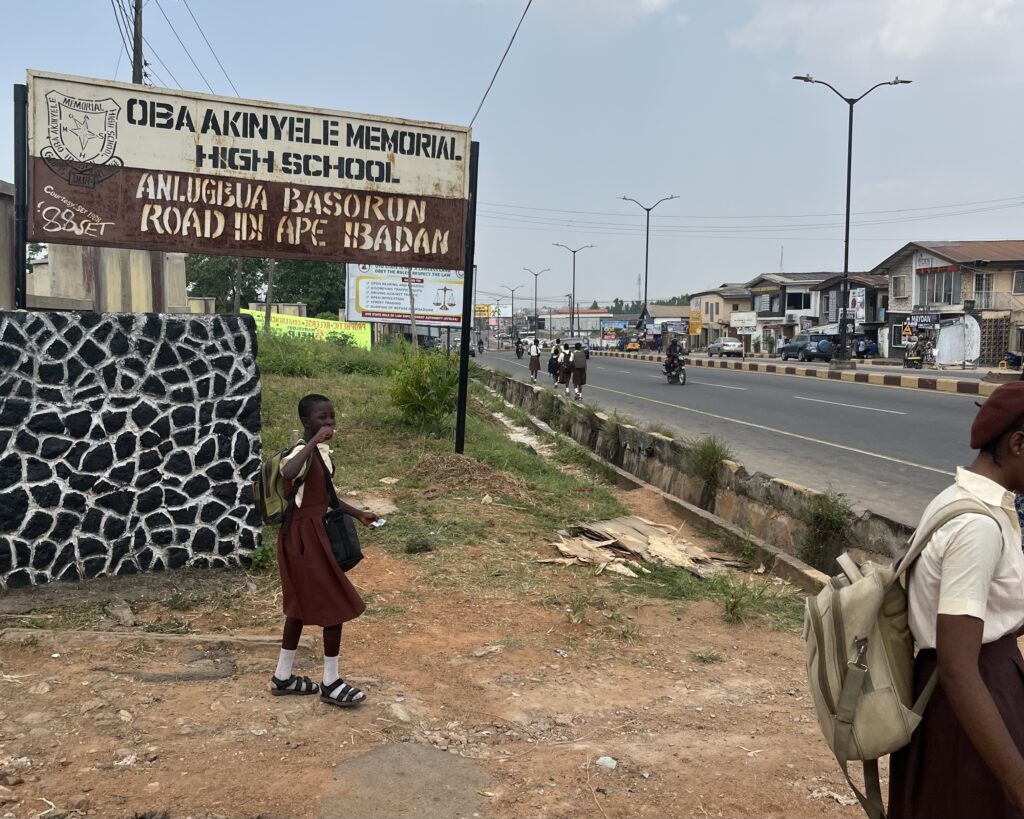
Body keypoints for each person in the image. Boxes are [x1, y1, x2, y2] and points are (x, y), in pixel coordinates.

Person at [889, 382, 1024, 817]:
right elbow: (958, 667)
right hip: (971, 712)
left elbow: (986, 609)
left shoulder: (955, 499)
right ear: (1018, 444)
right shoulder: (976, 528)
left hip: (965, 701)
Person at [272, 393, 379, 709]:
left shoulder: (321, 454)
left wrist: (358, 514)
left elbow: (324, 496)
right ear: (306, 422)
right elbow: (288, 473)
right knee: (335, 603)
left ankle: (283, 677)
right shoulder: (300, 453)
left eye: (331, 417)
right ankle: (330, 682)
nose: (329, 422)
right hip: (303, 538)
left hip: (312, 534)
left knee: (298, 606)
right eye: (322, 418)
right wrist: (313, 441)